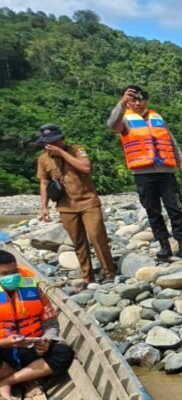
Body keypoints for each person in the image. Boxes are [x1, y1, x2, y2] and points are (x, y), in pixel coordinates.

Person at [106, 85, 182, 262]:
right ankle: (164, 246)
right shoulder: (124, 119)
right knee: (153, 211)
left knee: (175, 209)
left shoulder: (157, 118)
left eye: (140, 99)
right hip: (143, 174)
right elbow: (112, 124)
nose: (137, 103)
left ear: (146, 100)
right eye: (133, 99)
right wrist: (122, 103)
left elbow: (172, 144)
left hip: (166, 172)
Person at [35, 123, 117, 288]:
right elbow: (44, 183)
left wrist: (62, 153)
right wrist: (44, 207)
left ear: (61, 139)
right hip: (65, 206)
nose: (48, 145)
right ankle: (88, 277)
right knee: (78, 242)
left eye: (52, 141)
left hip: (88, 202)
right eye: (45, 142)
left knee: (96, 236)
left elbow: (86, 168)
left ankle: (109, 273)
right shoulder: (43, 159)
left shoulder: (76, 150)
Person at [0, 250, 76, 400]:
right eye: (5, 273)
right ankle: (27, 380)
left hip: (32, 349)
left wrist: (46, 341)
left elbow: (51, 323)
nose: (12, 277)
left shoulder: (33, 287)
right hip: (3, 352)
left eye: (14, 271)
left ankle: (8, 381)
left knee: (64, 352)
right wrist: (5, 343)